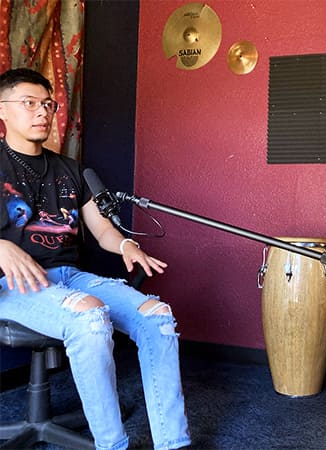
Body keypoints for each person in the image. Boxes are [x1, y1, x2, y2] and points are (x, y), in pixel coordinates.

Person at [0, 68, 191, 450]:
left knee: (158, 316)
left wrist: (125, 246)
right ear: (2, 111)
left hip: (70, 276)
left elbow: (101, 228)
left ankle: (173, 442)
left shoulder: (70, 168)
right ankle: (111, 445)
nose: (42, 112)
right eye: (29, 103)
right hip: (13, 286)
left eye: (48, 104)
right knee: (89, 318)